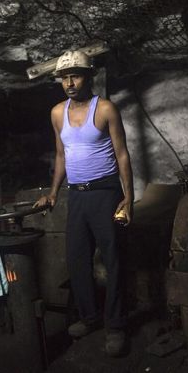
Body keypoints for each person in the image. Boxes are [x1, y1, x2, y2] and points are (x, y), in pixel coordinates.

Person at [34, 50, 134, 357]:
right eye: (64, 78)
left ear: (89, 77)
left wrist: (128, 198)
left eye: (75, 76)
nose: (69, 83)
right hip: (76, 194)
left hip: (105, 192)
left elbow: (122, 154)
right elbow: (61, 155)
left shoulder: (105, 109)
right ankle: (90, 318)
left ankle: (115, 325)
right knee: (77, 260)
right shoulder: (56, 113)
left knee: (113, 260)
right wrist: (53, 193)